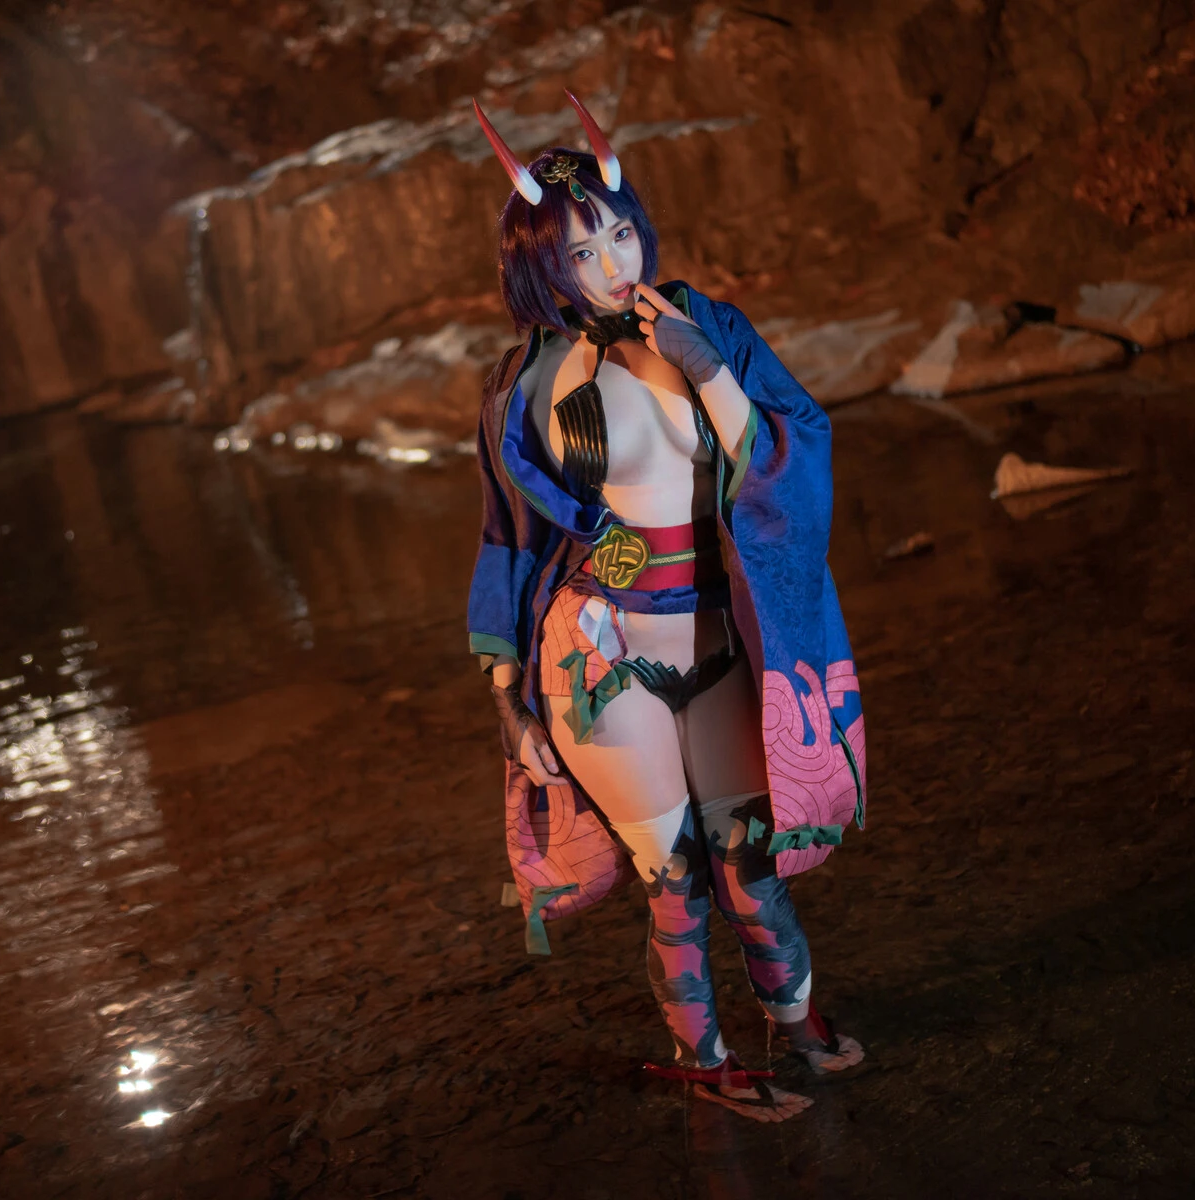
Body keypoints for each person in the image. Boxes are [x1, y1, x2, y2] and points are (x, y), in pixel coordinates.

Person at [467, 92, 870, 1122]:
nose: (613, 261)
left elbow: (790, 450)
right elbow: (510, 539)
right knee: (674, 874)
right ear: (541, 268)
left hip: (720, 639)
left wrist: (706, 368)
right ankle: (706, 1059)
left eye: (619, 231)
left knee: (750, 863)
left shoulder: (708, 325)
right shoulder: (522, 384)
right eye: (581, 250)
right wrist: (508, 703)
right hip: (601, 661)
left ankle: (794, 1017)